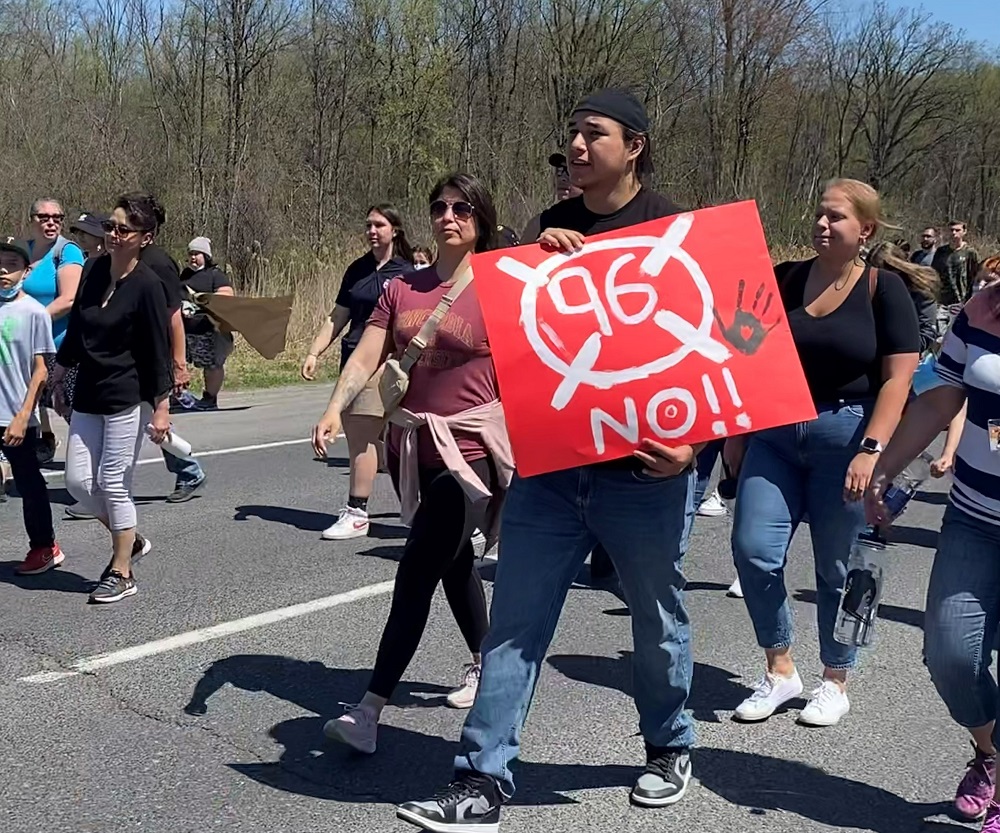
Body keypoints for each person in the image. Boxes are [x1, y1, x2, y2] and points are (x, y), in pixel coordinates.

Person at [398, 90, 698, 832]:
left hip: (645, 472)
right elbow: (516, 330)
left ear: (635, 145)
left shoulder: (669, 227)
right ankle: (481, 780)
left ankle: (668, 744)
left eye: (594, 133)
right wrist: (529, 263)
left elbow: (704, 346)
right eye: (572, 133)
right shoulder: (548, 225)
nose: (577, 144)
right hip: (554, 468)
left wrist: (694, 445)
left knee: (657, 620)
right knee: (517, 624)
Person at [312, 173, 511, 752]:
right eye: (440, 207)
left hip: (472, 453)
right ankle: (485, 660)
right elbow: (370, 352)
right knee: (452, 563)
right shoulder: (403, 287)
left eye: (462, 207)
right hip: (416, 447)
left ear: (482, 216)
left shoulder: (503, 285)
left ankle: (371, 708)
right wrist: (334, 407)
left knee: (417, 567)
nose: (449, 216)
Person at [725, 179, 920, 728]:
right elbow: (748, 358)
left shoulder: (885, 290)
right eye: (819, 214)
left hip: (848, 438)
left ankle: (836, 678)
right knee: (753, 550)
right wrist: (736, 436)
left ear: (866, 230)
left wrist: (872, 450)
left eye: (835, 217)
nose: (822, 224)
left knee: (839, 569)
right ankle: (781, 669)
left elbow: (897, 381)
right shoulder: (784, 280)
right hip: (775, 435)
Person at [865, 282, 1000, 828]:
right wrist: (887, 465)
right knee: (950, 655)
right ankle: (989, 752)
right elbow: (943, 397)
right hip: (974, 517)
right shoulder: (985, 307)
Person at [53, 194, 172, 604]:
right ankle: (130, 539)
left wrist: (161, 405)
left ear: (145, 238)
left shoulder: (149, 286)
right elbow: (78, 330)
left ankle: (122, 571)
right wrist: (60, 372)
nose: (114, 235)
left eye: (124, 229)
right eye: (111, 227)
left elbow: (158, 349)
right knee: (79, 484)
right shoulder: (93, 268)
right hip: (89, 390)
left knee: (114, 484)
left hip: (128, 396)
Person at [302, 204, 412, 540]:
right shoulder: (357, 270)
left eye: (379, 225)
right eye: (368, 225)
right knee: (362, 438)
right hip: (356, 361)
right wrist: (313, 351)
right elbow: (337, 316)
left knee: (402, 442)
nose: (372, 231)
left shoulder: (408, 273)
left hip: (394, 363)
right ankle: (358, 512)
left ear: (395, 229)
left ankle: (365, 510)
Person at [0, 237, 63, 575]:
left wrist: (23, 416)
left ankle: (44, 546)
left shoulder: (34, 312)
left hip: (14, 415)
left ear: (25, 272)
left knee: (28, 484)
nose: (2, 270)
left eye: (11, 265)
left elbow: (41, 371)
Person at [23, 197, 85, 464]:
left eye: (57, 218)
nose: (51, 223)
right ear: (32, 220)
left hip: (61, 348)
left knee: (74, 411)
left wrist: (30, 322)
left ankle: (94, 474)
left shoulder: (67, 251)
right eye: (44, 217)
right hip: (26, 346)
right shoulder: (21, 251)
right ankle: (42, 443)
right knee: (25, 401)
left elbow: (69, 300)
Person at [179, 237, 234, 410]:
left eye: (197, 254)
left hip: (209, 330)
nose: (193, 257)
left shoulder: (215, 274)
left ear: (206, 256)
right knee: (177, 362)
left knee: (212, 364)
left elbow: (227, 295)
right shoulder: (185, 274)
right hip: (186, 330)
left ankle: (210, 398)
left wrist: (202, 300)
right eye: (191, 254)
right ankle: (177, 396)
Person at [867, 241, 940, 353]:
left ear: (896, 269)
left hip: (905, 355)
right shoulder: (869, 288)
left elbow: (927, 332)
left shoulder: (921, 291)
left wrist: (900, 351)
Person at [932, 220, 980, 308]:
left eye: (957, 230)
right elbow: (934, 274)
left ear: (964, 232)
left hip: (963, 301)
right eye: (951, 230)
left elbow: (976, 277)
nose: (954, 233)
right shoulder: (941, 252)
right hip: (942, 302)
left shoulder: (970, 253)